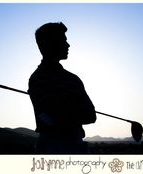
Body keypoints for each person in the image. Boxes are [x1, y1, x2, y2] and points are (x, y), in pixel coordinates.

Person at [28, 22, 96, 154]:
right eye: (63, 40)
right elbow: (50, 120)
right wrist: (74, 110)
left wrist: (62, 111)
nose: (68, 44)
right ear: (49, 44)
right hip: (51, 150)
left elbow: (90, 115)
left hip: (75, 147)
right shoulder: (37, 79)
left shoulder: (74, 79)